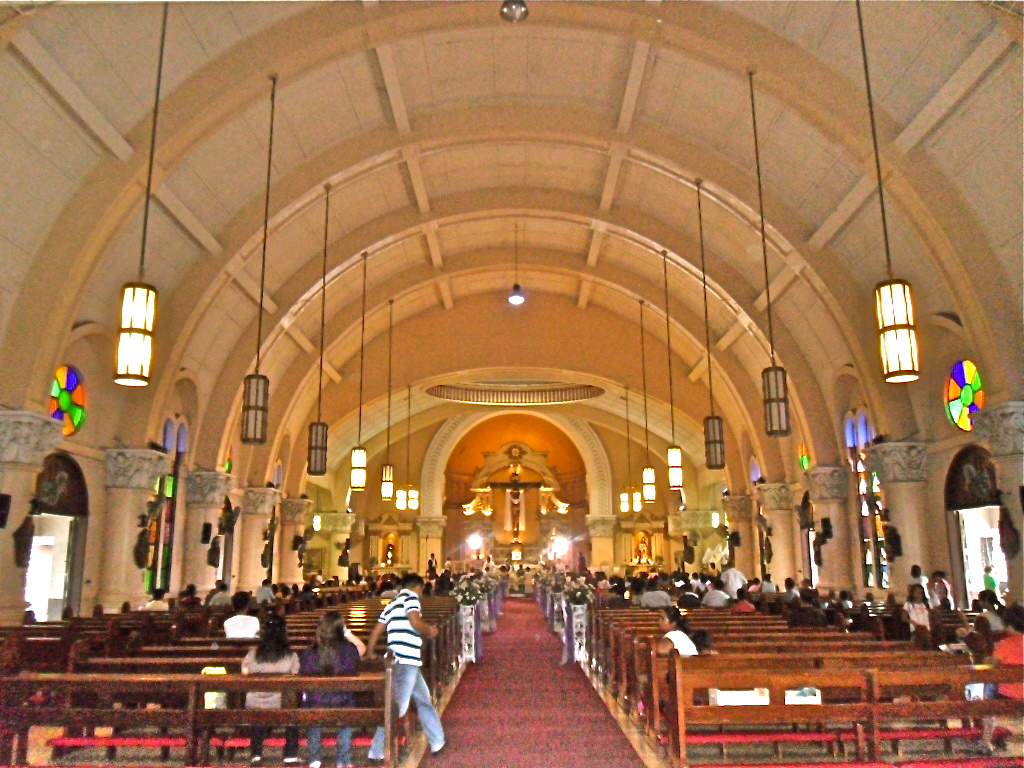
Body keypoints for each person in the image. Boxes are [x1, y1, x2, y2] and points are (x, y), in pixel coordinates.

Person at [364, 573, 445, 760]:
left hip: (403, 660)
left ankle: (438, 740)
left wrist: (370, 652)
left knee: (424, 700)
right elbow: (415, 621)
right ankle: (376, 752)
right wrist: (430, 631)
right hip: (405, 659)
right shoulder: (411, 598)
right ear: (418, 586)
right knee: (397, 708)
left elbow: (377, 630)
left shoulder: (392, 604)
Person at [301, 612, 360, 768]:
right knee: (346, 707)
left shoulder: (309, 652)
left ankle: (314, 758)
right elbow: (362, 648)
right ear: (341, 629)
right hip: (343, 700)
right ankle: (344, 759)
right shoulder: (348, 649)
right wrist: (348, 633)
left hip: (316, 701)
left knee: (312, 705)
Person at [241, 614, 300, 764]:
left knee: (258, 715)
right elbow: (295, 674)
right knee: (293, 711)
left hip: (255, 702)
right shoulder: (290, 655)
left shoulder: (254, 653)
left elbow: (244, 672)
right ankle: (290, 753)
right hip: (280, 703)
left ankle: (256, 753)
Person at [902, 583, 931, 649]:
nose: (919, 595)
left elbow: (931, 615)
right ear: (912, 594)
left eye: (921, 593)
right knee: (917, 647)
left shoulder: (926, 604)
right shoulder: (909, 604)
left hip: (927, 629)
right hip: (916, 630)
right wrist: (912, 622)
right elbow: (903, 618)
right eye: (917, 593)